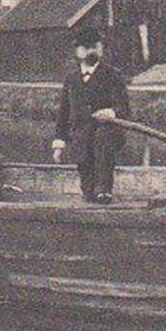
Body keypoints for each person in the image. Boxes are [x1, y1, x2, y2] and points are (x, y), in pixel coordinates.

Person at [52, 28, 130, 205]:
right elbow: (63, 114)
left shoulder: (113, 75)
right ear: (78, 51)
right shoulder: (71, 79)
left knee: (102, 143)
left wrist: (111, 113)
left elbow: (124, 108)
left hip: (107, 135)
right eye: (86, 47)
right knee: (88, 191)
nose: (91, 51)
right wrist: (59, 144)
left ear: (101, 49)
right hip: (80, 138)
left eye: (95, 46)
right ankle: (90, 196)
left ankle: (104, 190)